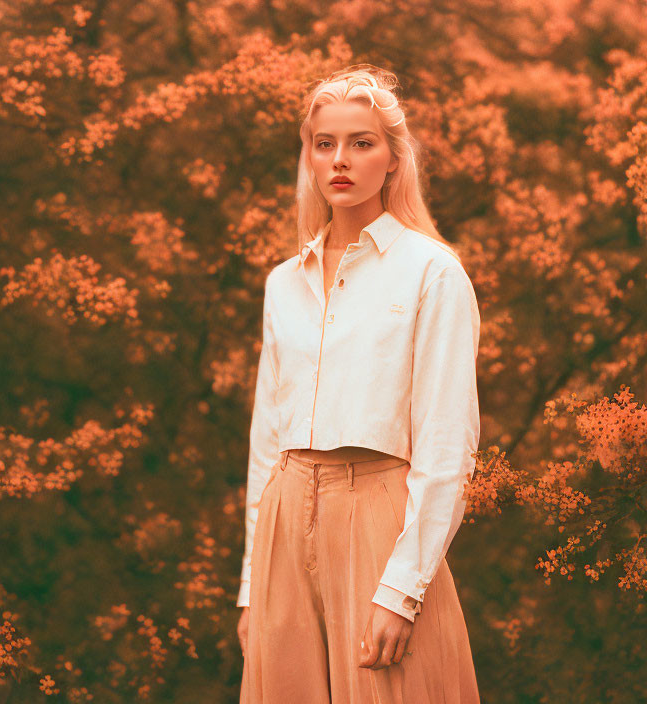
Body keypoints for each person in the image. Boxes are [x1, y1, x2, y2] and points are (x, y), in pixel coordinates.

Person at [235, 64, 481, 703]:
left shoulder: (432, 272)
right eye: (326, 144)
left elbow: (447, 448)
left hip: (378, 520)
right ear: (311, 159)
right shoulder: (283, 282)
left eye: (361, 143)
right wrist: (249, 588)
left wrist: (403, 590)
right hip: (284, 529)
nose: (341, 160)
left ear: (394, 161)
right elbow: (267, 442)